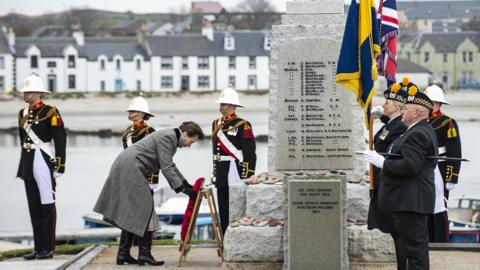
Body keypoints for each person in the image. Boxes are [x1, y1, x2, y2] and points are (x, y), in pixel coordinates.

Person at [94, 121, 203, 266]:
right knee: (146, 208)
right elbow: (166, 167)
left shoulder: (171, 137)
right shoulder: (169, 137)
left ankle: (123, 254)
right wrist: (183, 189)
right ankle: (144, 254)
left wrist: (186, 184)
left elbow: (171, 165)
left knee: (133, 211)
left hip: (129, 165)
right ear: (185, 134)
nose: (190, 145)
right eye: (192, 141)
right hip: (131, 167)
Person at [361, 87, 437, 270]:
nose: (403, 111)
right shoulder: (417, 129)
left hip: (410, 201)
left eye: (406, 108)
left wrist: (383, 163)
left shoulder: (417, 133)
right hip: (409, 200)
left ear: (417, 112)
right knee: (414, 250)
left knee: (414, 251)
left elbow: (410, 166)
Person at [16, 74, 67, 260]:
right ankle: (38, 248)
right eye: (25, 92)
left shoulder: (51, 111)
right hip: (28, 161)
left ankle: (48, 248)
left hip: (43, 160)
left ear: (38, 93)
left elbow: (60, 139)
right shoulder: (22, 114)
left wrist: (60, 166)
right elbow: (22, 140)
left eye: (29, 92)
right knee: (34, 206)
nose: (26, 95)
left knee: (47, 204)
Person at [116, 96, 162, 265]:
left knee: (144, 215)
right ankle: (128, 253)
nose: (130, 112)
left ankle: (133, 253)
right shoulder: (129, 131)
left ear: (143, 113)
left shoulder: (149, 132)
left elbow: (155, 157)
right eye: (130, 110)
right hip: (130, 177)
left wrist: (152, 178)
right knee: (132, 215)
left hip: (143, 177)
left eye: (134, 110)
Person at [368, 82, 407, 270]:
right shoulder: (391, 123)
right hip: (381, 179)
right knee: (392, 231)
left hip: (389, 180)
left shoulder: (399, 126)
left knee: (397, 231)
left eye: (388, 103)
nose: (384, 105)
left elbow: (388, 147)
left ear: (399, 107)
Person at [211, 87, 256, 235]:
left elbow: (249, 153)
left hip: (235, 170)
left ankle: (237, 236)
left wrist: (247, 175)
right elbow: (215, 151)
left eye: (224, 104)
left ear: (232, 106)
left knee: (237, 207)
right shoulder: (215, 123)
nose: (221, 106)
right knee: (223, 208)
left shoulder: (243, 124)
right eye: (221, 103)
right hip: (221, 171)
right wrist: (215, 171)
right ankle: (225, 237)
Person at [425, 84, 462, 243]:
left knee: (439, 210)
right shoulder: (421, 121)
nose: (428, 106)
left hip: (440, 169)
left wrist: (451, 178)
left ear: (439, 104)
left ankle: (441, 242)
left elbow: (455, 152)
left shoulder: (448, 122)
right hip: (423, 169)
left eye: (431, 103)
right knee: (424, 207)